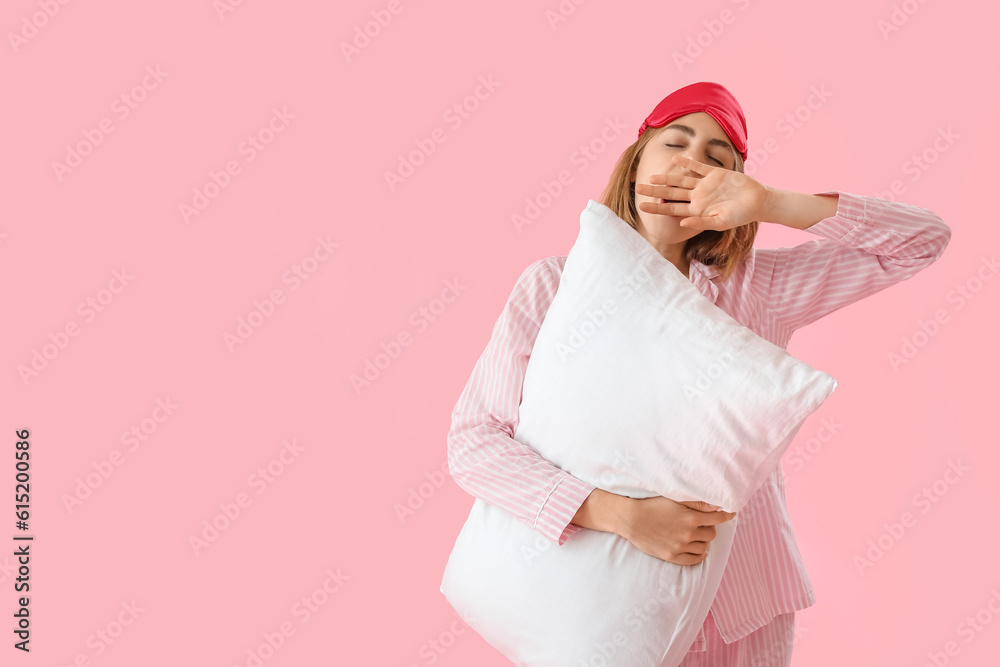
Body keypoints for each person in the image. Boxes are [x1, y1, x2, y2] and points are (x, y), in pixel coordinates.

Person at [446, 81, 952, 666]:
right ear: (637, 161)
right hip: (598, 603)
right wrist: (624, 516)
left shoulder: (759, 291)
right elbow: (474, 441)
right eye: (675, 144)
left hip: (742, 612)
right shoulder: (553, 287)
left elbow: (922, 242)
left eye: (718, 161)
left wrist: (770, 204)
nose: (692, 166)